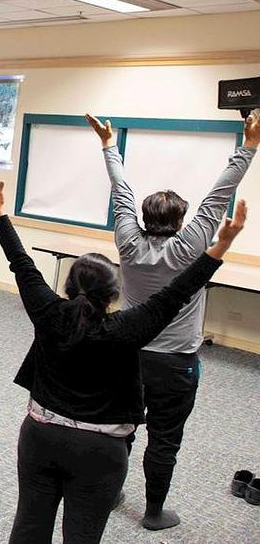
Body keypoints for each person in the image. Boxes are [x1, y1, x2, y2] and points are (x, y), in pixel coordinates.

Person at [0, 172, 246, 544]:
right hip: (100, 453)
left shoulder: (48, 313)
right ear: (113, 293)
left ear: (66, 286)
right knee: (82, 534)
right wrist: (218, 248)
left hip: (39, 437)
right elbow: (176, 294)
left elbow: (21, 263)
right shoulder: (130, 327)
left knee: (29, 528)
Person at [86, 112, 258, 531]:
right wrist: (249, 146)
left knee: (119, 430)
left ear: (144, 218)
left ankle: (108, 493)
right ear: (181, 222)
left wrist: (109, 146)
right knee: (165, 439)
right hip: (176, 363)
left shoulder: (128, 242)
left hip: (128, 354)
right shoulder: (190, 248)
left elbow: (121, 191)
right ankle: (153, 512)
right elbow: (221, 194)